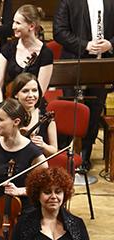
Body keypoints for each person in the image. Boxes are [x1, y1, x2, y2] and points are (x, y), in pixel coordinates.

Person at [54, 0, 114, 170]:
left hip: (101, 66)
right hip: (74, 65)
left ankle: (85, 157)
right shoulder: (69, 1)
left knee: (94, 111)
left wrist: (110, 44)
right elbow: (59, 31)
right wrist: (85, 45)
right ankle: (66, 157)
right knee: (71, 112)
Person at [0, 99, 46, 231]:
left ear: (16, 122)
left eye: (0, 119)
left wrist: (20, 191)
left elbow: (45, 187)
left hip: (21, 213)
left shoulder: (34, 153)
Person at [0, 5, 52, 106]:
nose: (13, 26)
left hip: (33, 106)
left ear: (31, 26)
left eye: (18, 23)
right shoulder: (8, 48)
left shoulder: (45, 53)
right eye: (14, 22)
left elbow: (39, 92)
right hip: (10, 105)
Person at [3, 73, 58, 156]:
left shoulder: (46, 117)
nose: (31, 95)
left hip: (38, 161)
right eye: (25, 91)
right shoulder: (8, 115)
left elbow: (54, 151)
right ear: (16, 94)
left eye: (34, 90)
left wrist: (43, 145)